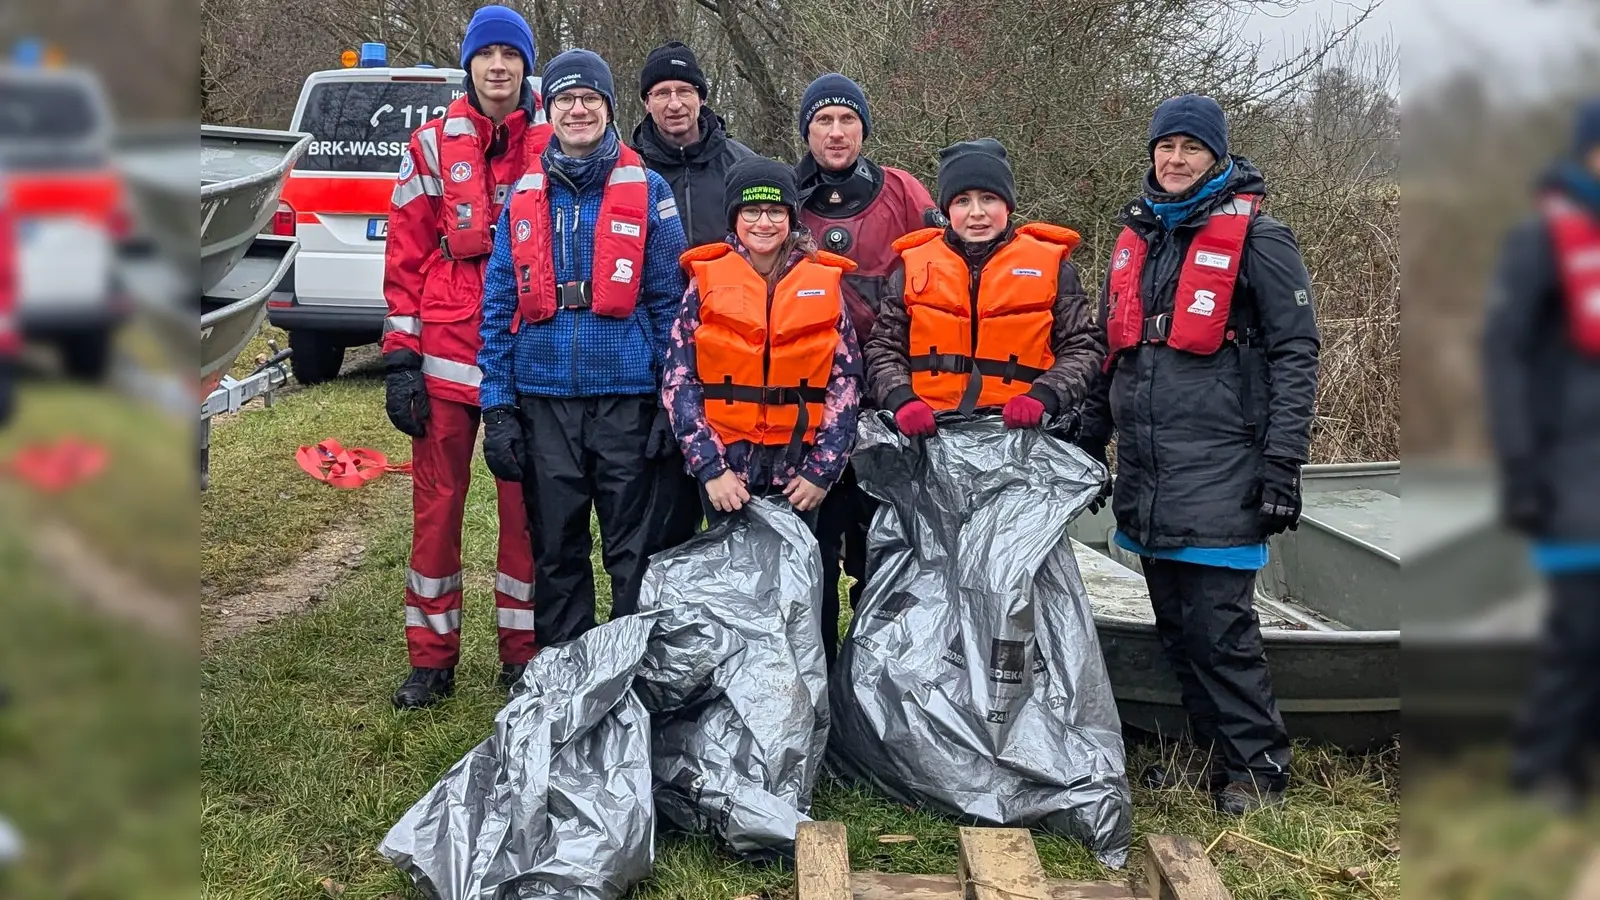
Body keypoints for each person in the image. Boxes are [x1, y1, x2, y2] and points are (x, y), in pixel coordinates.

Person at [1077, 94, 1321, 816]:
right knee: (1178, 627)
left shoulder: (1262, 240)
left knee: (1222, 630)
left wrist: (1283, 463)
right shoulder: (1140, 239)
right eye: (1166, 147)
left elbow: (1295, 352)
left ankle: (1259, 770)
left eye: (1191, 149)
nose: (1176, 160)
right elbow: (1112, 356)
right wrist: (1089, 445)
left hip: (1225, 469)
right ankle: (1211, 759)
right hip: (1151, 472)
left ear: (1215, 157)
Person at [477, 49, 689, 649]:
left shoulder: (647, 189)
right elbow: (495, 309)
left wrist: (674, 405)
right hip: (543, 400)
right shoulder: (523, 194)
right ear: (550, 109)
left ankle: (634, 678)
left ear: (608, 109)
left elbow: (675, 307)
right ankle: (567, 682)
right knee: (557, 550)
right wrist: (497, 409)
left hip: (627, 399)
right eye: (566, 99)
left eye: (590, 99)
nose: (578, 109)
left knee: (634, 553)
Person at [381, 5, 547, 709]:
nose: (500, 66)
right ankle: (431, 659)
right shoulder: (426, 148)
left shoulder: (557, 140)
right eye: (488, 55)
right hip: (445, 353)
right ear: (469, 65)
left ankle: (523, 654)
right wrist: (400, 356)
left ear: (526, 66)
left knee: (527, 514)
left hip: (525, 352)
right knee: (437, 510)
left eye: (512, 54)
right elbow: (406, 254)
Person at [793, 73, 941, 663]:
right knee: (820, 547)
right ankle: (821, 671)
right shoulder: (786, 199)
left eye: (846, 120)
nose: (835, 132)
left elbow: (944, 274)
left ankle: (882, 678)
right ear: (807, 130)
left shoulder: (902, 192)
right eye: (823, 121)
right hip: (814, 400)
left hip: (889, 394)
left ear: (864, 128)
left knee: (887, 547)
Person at [1482, 96, 1600, 816]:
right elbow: (1506, 360)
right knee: (1581, 625)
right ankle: (1543, 768)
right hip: (1572, 466)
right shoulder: (1541, 241)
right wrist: (1522, 469)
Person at [663, 157, 862, 539]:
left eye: (775, 211)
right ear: (735, 216)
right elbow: (679, 381)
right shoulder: (704, 281)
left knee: (802, 589)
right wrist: (710, 469)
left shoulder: (822, 281)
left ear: (791, 216)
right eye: (752, 210)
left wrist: (821, 470)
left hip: (799, 475)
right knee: (734, 591)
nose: (764, 222)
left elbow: (846, 383)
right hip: (727, 474)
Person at [864, 138, 1103, 437]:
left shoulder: (1052, 265)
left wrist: (1044, 396)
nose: (976, 212)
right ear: (947, 209)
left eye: (988, 198)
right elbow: (883, 347)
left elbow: (1083, 347)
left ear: (1008, 204)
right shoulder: (911, 266)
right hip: (933, 431)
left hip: (1024, 432)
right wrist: (901, 399)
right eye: (962, 200)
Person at [629, 40, 757, 556]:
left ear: (702, 97)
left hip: (734, 361)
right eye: (662, 92)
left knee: (736, 520)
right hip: (651, 359)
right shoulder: (625, 171)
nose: (674, 102)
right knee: (660, 527)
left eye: (685, 90)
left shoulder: (743, 167)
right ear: (646, 102)